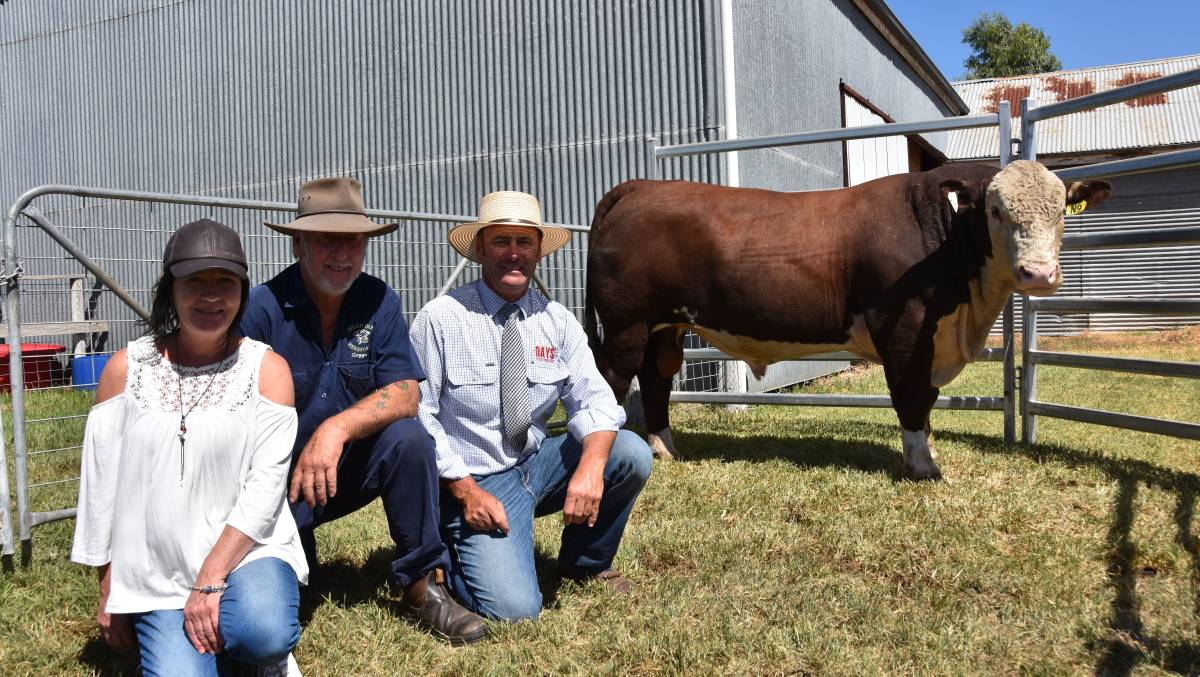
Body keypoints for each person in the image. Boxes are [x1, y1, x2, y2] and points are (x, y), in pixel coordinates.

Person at [239, 177, 487, 645]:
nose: (342, 253)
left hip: (341, 468)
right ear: (298, 244)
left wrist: (335, 429)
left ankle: (423, 583)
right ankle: (289, 555)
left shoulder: (379, 300)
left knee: (410, 438)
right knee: (276, 605)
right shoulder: (260, 310)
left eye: (353, 240)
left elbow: (405, 394)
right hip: (273, 483)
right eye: (326, 240)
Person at [71, 218, 306, 676]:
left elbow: (266, 490)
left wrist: (210, 580)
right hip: (158, 570)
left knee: (265, 631)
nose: (212, 296)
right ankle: (207, 635)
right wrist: (110, 589)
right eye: (195, 281)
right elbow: (100, 488)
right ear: (169, 286)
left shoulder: (267, 370)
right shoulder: (125, 369)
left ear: (242, 291)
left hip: (246, 553)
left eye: (225, 282)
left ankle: (250, 642)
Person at [410, 190, 654, 622]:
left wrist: (591, 467)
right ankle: (448, 552)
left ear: (539, 250)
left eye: (524, 242)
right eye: (501, 241)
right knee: (516, 610)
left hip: (534, 463)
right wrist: (466, 491)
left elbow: (595, 398)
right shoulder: (440, 318)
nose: (513, 254)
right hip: (473, 478)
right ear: (481, 248)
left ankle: (586, 563)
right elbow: (419, 415)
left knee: (629, 453)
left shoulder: (556, 321)